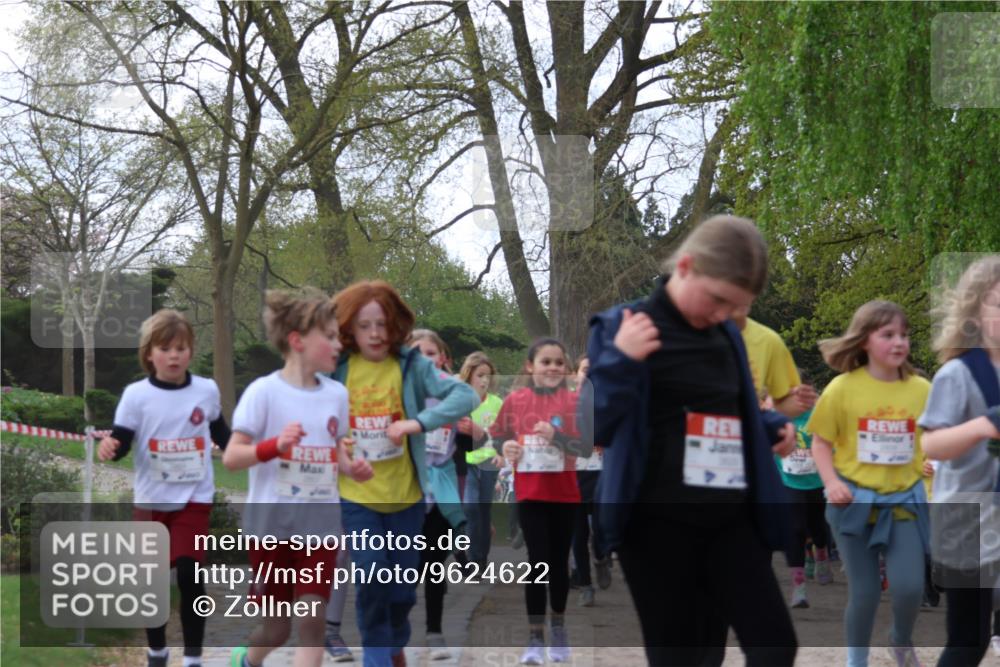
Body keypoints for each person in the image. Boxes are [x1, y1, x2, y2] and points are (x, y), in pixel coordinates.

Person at [580, 214, 799, 667]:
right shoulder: (623, 325)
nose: (724, 315)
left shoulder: (725, 336)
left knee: (775, 644)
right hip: (655, 527)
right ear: (686, 266)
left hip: (729, 520)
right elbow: (591, 428)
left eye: (736, 309)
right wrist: (622, 360)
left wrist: (771, 427)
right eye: (719, 300)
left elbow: (726, 414)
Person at [331, 281, 478, 667]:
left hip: (407, 497)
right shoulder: (338, 368)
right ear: (349, 328)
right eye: (365, 326)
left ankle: (394, 642)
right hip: (357, 495)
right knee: (371, 574)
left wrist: (417, 423)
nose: (375, 334)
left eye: (382, 324)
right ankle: (376, 655)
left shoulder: (412, 365)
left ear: (396, 325)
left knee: (401, 590)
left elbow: (466, 396)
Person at [224, 289, 371, 667]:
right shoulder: (264, 392)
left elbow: (336, 449)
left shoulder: (337, 394)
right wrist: (273, 445)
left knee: (312, 618)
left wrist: (352, 467)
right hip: (271, 528)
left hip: (321, 526)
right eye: (331, 335)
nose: (340, 343)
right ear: (297, 341)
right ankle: (246, 659)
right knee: (277, 629)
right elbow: (232, 457)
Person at [98, 309, 231, 667]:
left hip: (194, 499)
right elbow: (121, 442)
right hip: (151, 501)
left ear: (190, 351)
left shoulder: (206, 390)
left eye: (182, 348)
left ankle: (192, 658)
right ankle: (157, 651)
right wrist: (110, 448)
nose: (174, 356)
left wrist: (244, 451)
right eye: (166, 348)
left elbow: (222, 434)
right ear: (149, 353)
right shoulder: (136, 395)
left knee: (190, 575)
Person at [808, 300, 931, 667]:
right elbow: (820, 443)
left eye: (904, 335)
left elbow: (936, 436)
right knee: (864, 594)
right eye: (888, 334)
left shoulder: (922, 389)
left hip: (904, 503)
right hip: (852, 504)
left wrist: (934, 457)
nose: (899, 342)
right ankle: (856, 661)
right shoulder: (841, 388)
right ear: (864, 341)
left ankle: (900, 639)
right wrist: (831, 483)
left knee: (909, 588)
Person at [917, 255, 1000, 666]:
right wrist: (985, 426)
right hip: (967, 518)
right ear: (975, 312)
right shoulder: (959, 374)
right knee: (969, 640)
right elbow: (932, 446)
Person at [495, 338, 591, 664]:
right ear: (530, 366)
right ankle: (535, 637)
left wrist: (558, 437)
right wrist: (504, 448)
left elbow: (585, 448)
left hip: (564, 495)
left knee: (559, 564)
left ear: (565, 369)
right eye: (545, 362)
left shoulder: (574, 401)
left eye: (558, 363)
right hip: (531, 494)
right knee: (537, 563)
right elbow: (498, 435)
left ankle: (559, 630)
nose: (552, 368)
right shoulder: (516, 399)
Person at [408, 328, 468, 660]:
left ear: (442, 357)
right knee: (408, 567)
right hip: (409, 490)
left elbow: (475, 444)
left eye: (431, 353)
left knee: (434, 565)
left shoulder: (455, 393)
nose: (425, 359)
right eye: (417, 353)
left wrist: (474, 433)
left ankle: (434, 630)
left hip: (443, 489)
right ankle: (398, 624)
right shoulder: (399, 392)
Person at [774, 369, 833, 609]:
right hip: (788, 480)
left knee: (818, 527)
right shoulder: (778, 414)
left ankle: (821, 552)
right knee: (795, 529)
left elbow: (833, 442)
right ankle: (798, 587)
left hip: (816, 480)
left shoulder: (820, 412)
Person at [569, 355, 610, 605]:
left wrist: (605, 443)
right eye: (584, 370)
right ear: (576, 374)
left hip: (601, 474)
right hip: (573, 475)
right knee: (578, 533)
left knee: (600, 528)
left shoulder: (606, 402)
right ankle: (585, 584)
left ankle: (601, 557)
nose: (589, 375)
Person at [458, 352, 504, 568]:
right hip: (465, 462)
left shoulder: (497, 403)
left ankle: (480, 558)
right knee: (471, 508)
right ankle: (471, 557)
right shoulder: (459, 400)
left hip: (487, 463)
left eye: (488, 375)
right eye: (480, 375)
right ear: (469, 376)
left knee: (483, 512)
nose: (485, 380)